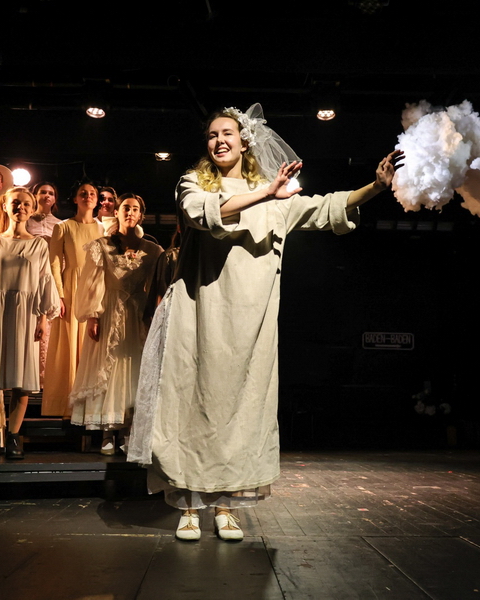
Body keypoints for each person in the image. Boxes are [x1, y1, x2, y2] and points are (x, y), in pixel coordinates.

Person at [128, 104, 401, 541]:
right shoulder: (194, 182)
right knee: (191, 406)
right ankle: (189, 505)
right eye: (212, 134)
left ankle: (226, 506)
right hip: (198, 315)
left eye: (227, 133)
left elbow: (328, 208)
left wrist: (376, 186)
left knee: (241, 412)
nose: (219, 140)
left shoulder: (276, 198)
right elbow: (203, 213)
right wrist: (268, 193)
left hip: (249, 324)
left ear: (244, 141)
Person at [0, 187, 60, 459]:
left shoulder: (39, 245)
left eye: (26, 204)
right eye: (15, 203)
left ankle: (14, 437)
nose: (21, 208)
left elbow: (44, 281)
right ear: (5, 206)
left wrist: (43, 318)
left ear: (32, 208)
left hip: (27, 314)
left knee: (22, 379)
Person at [69, 194, 162, 454]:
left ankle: (128, 431)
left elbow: (157, 286)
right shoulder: (101, 246)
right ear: (117, 213)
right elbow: (92, 283)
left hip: (137, 314)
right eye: (126, 208)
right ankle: (108, 432)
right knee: (108, 368)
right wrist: (93, 315)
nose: (130, 212)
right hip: (110, 311)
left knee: (133, 369)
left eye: (135, 209)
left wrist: (153, 315)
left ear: (141, 216)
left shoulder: (152, 250)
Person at [42, 183, 104, 416]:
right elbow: (54, 263)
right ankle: (66, 404)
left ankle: (89, 405)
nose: (88, 196)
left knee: (91, 346)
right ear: (75, 199)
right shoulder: (63, 227)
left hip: (95, 289)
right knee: (68, 345)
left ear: (97, 200)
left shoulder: (103, 228)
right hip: (71, 288)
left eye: (92, 193)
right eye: (82, 193)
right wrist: (59, 295)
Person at [27, 182, 63, 387]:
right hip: (27, 277)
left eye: (51, 193)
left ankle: (44, 379)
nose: (47, 195)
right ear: (35, 195)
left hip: (49, 277)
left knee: (47, 326)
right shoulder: (25, 221)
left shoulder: (59, 224)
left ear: (55, 199)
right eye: (42, 192)